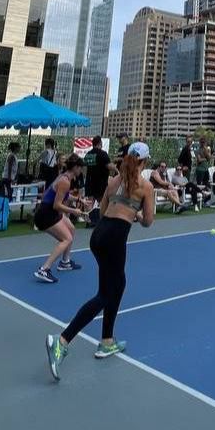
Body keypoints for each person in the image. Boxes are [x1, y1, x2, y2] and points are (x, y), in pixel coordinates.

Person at [45, 142, 156, 379]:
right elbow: (148, 221)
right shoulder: (146, 186)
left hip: (100, 235)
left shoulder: (114, 181)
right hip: (115, 239)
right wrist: (134, 212)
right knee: (106, 294)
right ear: (144, 162)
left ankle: (107, 340)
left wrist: (123, 208)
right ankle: (62, 340)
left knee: (118, 285)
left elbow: (104, 208)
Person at [33, 154, 86, 283]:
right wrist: (74, 211)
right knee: (66, 239)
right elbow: (57, 205)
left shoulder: (64, 177)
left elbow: (63, 196)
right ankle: (44, 269)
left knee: (71, 229)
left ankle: (65, 262)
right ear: (75, 168)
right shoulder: (65, 181)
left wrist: (79, 200)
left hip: (49, 211)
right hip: (46, 214)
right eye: (80, 168)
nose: (81, 171)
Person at [83, 136, 112, 227]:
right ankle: (103, 219)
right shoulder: (103, 154)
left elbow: (84, 168)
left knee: (89, 201)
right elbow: (109, 166)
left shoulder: (88, 154)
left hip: (89, 181)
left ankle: (89, 221)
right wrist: (116, 169)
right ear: (100, 143)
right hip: (100, 182)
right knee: (102, 201)